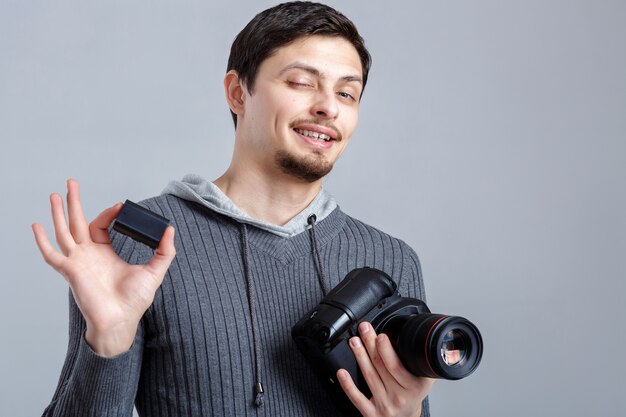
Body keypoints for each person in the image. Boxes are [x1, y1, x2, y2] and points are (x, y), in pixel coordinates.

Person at [32, 2, 435, 416]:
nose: (328, 107)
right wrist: (108, 341)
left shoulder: (392, 260)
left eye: (346, 93)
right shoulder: (141, 246)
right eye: (301, 82)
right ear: (238, 92)